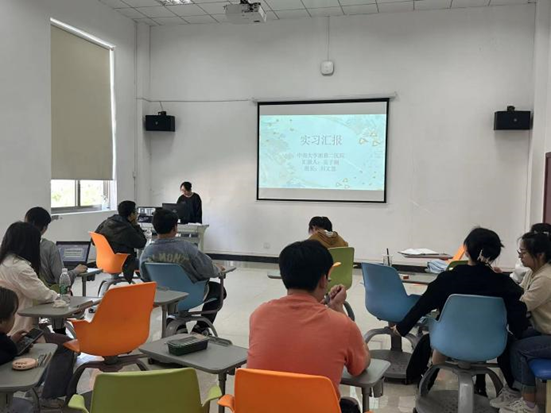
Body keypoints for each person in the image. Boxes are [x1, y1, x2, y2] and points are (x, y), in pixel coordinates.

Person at [393, 227, 528, 394]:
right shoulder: (504, 284)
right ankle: (510, 390)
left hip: (448, 340)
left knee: (437, 327)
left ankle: (426, 383)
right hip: (491, 344)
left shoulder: (448, 279)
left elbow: (422, 306)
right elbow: (518, 314)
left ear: (466, 250)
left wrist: (402, 327)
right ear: (494, 254)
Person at [247, 240, 370, 413]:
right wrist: (338, 308)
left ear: (284, 276)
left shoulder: (259, 315)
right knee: (350, 405)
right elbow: (359, 367)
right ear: (323, 280)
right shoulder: (341, 324)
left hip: (263, 409)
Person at [0, 222, 75, 408]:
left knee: (46, 333)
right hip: (19, 328)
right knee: (66, 347)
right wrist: (63, 298)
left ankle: (38, 388)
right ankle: (48, 396)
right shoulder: (19, 267)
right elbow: (44, 294)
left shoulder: (4, 262)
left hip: (11, 327)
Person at [492, 232, 551, 413]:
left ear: (540, 254)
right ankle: (514, 390)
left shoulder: (545, 278)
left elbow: (520, 305)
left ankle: (529, 404)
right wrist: (501, 278)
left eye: (523, 252)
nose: (520, 256)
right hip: (543, 330)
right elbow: (518, 292)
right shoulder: (534, 273)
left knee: (519, 349)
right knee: (508, 340)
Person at [139, 209, 225, 334]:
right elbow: (208, 270)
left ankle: (175, 320)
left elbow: (145, 277)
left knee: (174, 287)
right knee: (220, 290)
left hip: (165, 297)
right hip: (191, 295)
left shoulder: (147, 252)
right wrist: (218, 269)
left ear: (155, 227)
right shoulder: (186, 247)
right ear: (175, 228)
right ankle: (201, 328)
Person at [25, 206, 87, 287]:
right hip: (47, 291)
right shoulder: (49, 247)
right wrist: (76, 271)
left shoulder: (17, 245)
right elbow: (62, 279)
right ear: (44, 228)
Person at [95, 200, 146, 283]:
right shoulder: (127, 228)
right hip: (122, 262)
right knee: (144, 264)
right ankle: (149, 285)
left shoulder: (106, 222)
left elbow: (93, 241)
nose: (137, 214)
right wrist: (136, 225)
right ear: (132, 215)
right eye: (136, 212)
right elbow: (141, 243)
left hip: (103, 261)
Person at [0, 287, 23, 366]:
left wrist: (11, 340)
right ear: (1, 322)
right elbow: (11, 352)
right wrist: (11, 344)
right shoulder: (7, 348)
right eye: (13, 314)